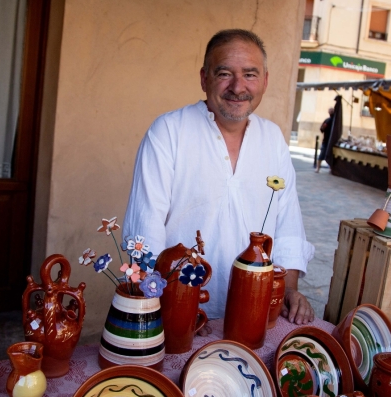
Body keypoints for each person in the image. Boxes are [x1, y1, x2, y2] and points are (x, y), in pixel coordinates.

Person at [123, 29, 315, 325]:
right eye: (225, 73)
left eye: (250, 74)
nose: (238, 87)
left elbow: (287, 221)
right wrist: (169, 309)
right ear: (204, 78)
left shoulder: (273, 139)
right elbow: (145, 228)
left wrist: (288, 289)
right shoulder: (169, 132)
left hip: (254, 312)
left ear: (265, 80)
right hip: (181, 314)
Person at [315, 107, 334, 173]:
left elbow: (322, 129)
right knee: (322, 154)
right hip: (327, 141)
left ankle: (330, 168)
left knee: (331, 156)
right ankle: (318, 168)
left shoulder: (334, 121)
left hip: (330, 142)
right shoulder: (328, 121)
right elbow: (322, 128)